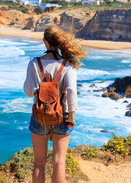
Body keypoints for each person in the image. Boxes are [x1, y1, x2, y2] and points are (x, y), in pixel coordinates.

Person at [23, 26, 87, 183]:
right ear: (59, 43)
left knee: (39, 163)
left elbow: (29, 91)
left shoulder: (34, 63)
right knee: (59, 162)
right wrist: (71, 117)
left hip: (39, 115)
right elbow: (71, 92)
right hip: (63, 116)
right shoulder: (67, 65)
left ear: (44, 42)